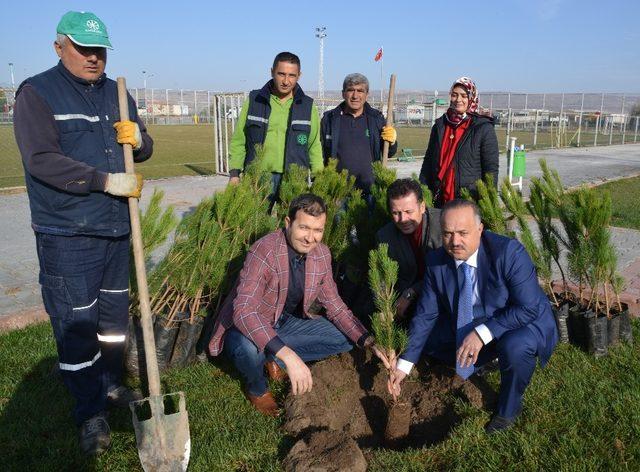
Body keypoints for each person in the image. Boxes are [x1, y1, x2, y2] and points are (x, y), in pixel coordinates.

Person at [13, 11, 153, 455]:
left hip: (116, 230)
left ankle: (111, 386)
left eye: (100, 50)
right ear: (60, 47)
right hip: (68, 234)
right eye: (84, 49)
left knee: (113, 324)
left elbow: (144, 145)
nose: (94, 58)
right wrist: (104, 181)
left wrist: (140, 140)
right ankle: (89, 411)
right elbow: (41, 159)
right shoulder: (37, 93)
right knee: (77, 326)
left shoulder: (119, 93)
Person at [208, 194, 388, 416]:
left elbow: (336, 306)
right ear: (287, 223)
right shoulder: (264, 251)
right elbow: (243, 311)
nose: (310, 238)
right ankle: (258, 388)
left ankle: (272, 358)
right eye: (304, 228)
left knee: (346, 337)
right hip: (245, 327)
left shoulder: (321, 255)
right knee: (248, 350)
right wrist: (290, 355)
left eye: (318, 230)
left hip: (283, 322)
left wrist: (368, 340)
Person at [388, 199, 558, 433]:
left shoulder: (509, 254)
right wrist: (404, 365)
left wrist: (482, 334)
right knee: (431, 341)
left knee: (515, 347)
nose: (454, 242)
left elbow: (529, 308)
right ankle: (484, 359)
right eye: (447, 233)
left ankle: (508, 409)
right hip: (473, 317)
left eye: (462, 233)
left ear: (480, 229)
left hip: (519, 322)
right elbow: (426, 315)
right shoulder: (437, 261)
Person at [228, 52, 323, 200]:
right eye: (281, 74)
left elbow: (314, 146)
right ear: (272, 72)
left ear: (299, 76)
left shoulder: (308, 106)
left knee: (291, 223)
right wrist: (234, 173)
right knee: (255, 223)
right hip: (258, 179)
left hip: (294, 180)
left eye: (292, 75)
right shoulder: (254, 101)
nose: (286, 81)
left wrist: (319, 179)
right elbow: (239, 140)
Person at [419, 77, 498, 207]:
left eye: (463, 96)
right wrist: (423, 191)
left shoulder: (483, 128)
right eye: (454, 95)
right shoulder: (440, 125)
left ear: (472, 98)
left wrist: (488, 205)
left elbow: (491, 171)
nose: (458, 100)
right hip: (440, 199)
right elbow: (428, 161)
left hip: (468, 202)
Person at [320, 73, 397, 205]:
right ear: (343, 93)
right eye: (351, 90)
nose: (355, 96)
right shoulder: (330, 119)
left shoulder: (376, 119)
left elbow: (388, 152)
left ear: (367, 94)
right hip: (338, 194)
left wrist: (392, 142)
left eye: (360, 91)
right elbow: (320, 153)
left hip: (370, 192)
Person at [375, 179, 442, 320]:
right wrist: (385, 306)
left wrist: (412, 292)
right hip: (406, 305)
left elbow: (447, 272)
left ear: (422, 207)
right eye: (396, 213)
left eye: (408, 211)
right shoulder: (384, 236)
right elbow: (381, 278)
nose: (403, 219)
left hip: (441, 295)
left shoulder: (443, 224)